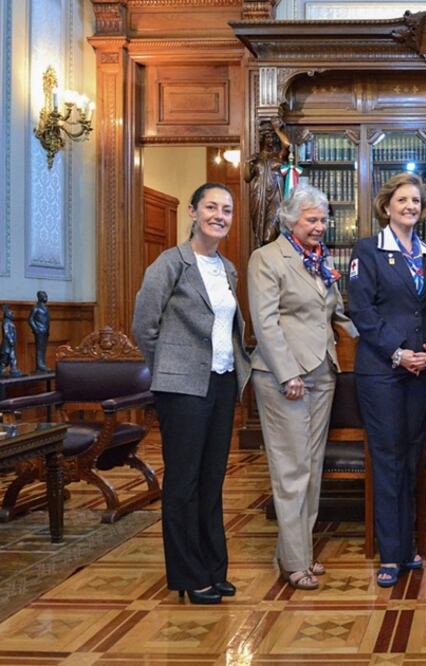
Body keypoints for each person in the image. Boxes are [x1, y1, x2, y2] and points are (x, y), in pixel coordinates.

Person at [133, 182, 252, 605]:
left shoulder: (228, 268)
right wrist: (170, 366)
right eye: (211, 207)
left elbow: (228, 327)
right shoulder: (170, 264)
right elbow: (144, 326)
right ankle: (188, 575)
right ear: (192, 211)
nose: (220, 215)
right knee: (183, 483)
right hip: (182, 389)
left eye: (227, 209)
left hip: (220, 383)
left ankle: (213, 569)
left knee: (212, 481)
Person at [248, 185, 358, 591]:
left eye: (323, 219)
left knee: (310, 470)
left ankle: (299, 553)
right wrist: (287, 373)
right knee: (291, 470)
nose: (320, 226)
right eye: (312, 219)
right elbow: (265, 322)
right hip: (286, 378)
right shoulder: (267, 258)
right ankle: (295, 562)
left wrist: (386, 343)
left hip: (322, 372)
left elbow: (338, 315)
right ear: (289, 220)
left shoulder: (320, 260)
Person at [347, 173, 426, 588]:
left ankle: (408, 547)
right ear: (387, 206)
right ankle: (392, 554)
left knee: (411, 454)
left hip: (421, 370)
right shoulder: (367, 250)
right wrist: (398, 351)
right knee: (386, 458)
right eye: (402, 200)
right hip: (383, 371)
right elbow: (362, 312)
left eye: (416, 201)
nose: (410, 206)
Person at [244, 119, 291, 246]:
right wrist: (248, 163)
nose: (270, 140)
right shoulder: (257, 158)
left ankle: (270, 259)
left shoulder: (279, 156)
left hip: (276, 198)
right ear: (263, 139)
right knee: (259, 236)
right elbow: (247, 178)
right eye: (268, 137)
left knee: (269, 235)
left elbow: (287, 144)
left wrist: (277, 129)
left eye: (273, 137)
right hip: (259, 197)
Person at [28, 291, 50, 372]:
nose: (46, 297)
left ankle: (42, 364)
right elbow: (30, 319)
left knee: (43, 349)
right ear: (40, 297)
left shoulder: (46, 308)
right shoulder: (35, 308)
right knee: (39, 349)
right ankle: (40, 365)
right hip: (39, 331)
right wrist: (36, 329)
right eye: (44, 296)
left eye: (46, 295)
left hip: (45, 331)